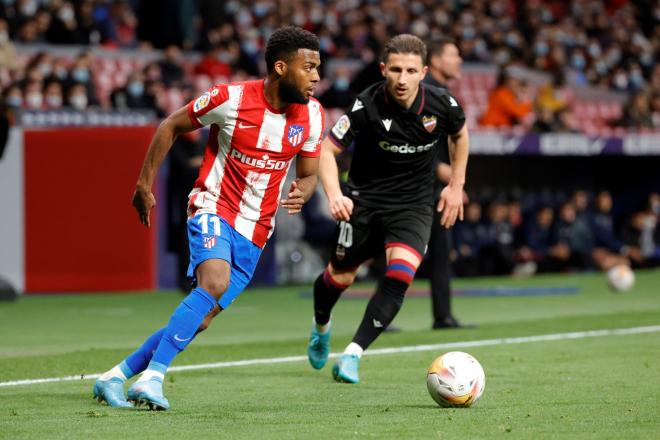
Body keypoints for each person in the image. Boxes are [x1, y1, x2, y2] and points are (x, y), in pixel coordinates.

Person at [93, 26, 324, 410]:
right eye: (309, 67)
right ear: (281, 68)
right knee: (213, 282)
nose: (317, 76)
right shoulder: (230, 99)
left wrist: (306, 189)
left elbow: (310, 171)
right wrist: (144, 185)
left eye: (319, 67)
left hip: (257, 230)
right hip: (213, 205)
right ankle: (152, 379)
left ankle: (114, 376)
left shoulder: (313, 116)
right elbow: (170, 125)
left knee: (200, 317)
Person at [307, 34, 469, 384]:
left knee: (400, 275)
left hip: (412, 206)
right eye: (395, 69)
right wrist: (335, 194)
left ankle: (353, 355)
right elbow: (326, 150)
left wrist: (456, 187)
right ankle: (322, 326)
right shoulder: (366, 105)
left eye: (411, 70)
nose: (402, 78)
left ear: (424, 72)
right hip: (364, 203)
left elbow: (459, 134)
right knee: (339, 278)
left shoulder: (443, 104)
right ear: (383, 69)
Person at [423, 37, 467, 329]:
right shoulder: (424, 92)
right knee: (398, 251)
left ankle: (443, 315)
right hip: (414, 186)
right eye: (454, 54)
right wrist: (442, 171)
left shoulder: (443, 93)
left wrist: (456, 183)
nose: (460, 60)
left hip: (436, 187)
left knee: (441, 249)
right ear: (436, 61)